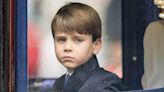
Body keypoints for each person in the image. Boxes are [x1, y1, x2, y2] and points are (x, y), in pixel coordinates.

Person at [51, 2, 124, 92]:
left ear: (96, 45)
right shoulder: (59, 83)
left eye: (78, 40)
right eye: (61, 40)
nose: (67, 47)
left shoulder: (106, 82)